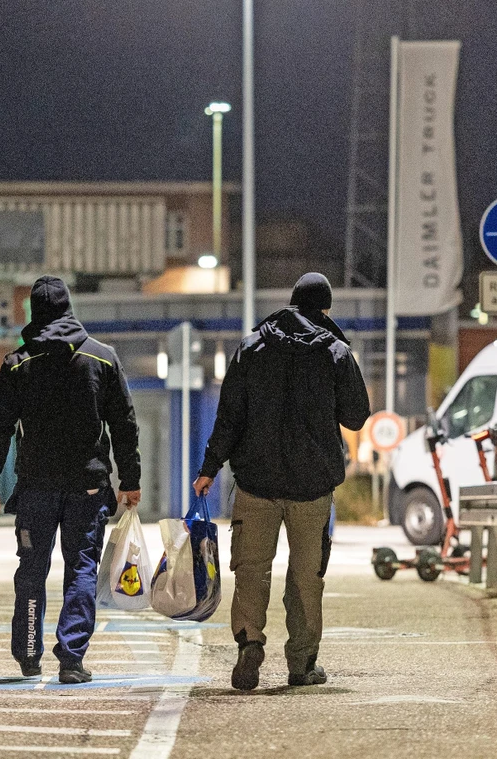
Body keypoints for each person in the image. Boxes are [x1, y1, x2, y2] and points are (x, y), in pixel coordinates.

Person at [193, 272, 370, 691]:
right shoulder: (335, 352)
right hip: (312, 487)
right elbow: (357, 416)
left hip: (256, 483)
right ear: (324, 309)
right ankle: (301, 664)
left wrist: (209, 468)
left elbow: (229, 416)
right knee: (307, 576)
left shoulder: (252, 347)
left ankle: (249, 645)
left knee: (252, 570)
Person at [0, 275, 142, 685]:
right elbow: (124, 425)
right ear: (70, 307)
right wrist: (130, 479)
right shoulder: (103, 359)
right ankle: (71, 659)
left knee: (32, 567)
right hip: (87, 486)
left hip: (35, 488)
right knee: (82, 567)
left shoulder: (18, 363)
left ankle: (29, 654)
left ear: (34, 311)